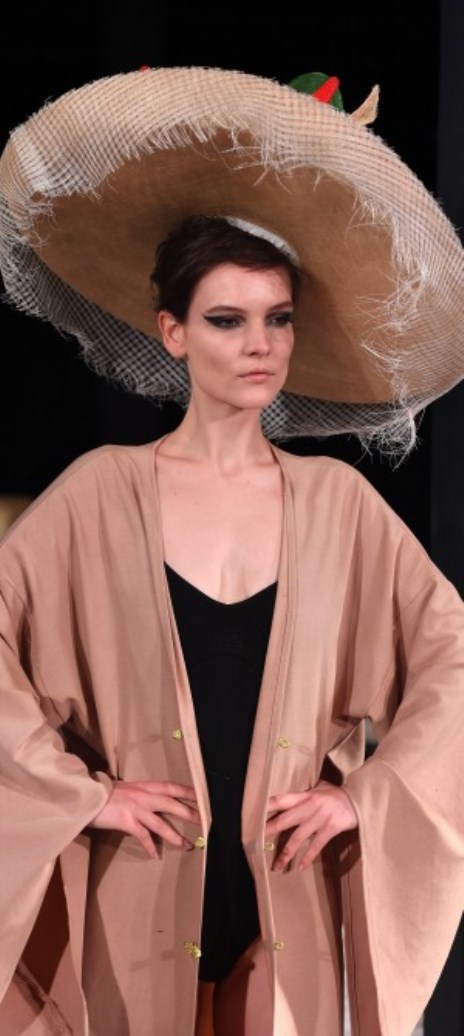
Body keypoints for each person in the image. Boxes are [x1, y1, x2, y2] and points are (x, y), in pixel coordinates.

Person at [0, 67, 463, 1036]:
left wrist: (370, 798)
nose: (259, 344)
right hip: (131, 898)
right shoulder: (99, 494)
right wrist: (78, 794)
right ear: (172, 332)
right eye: (226, 319)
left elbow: (450, 659)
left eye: (277, 318)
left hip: (286, 905)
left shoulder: (339, 506)